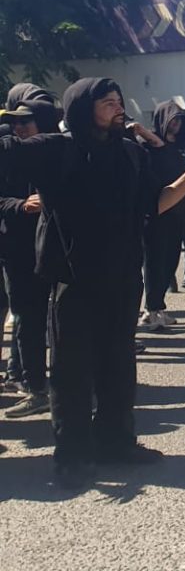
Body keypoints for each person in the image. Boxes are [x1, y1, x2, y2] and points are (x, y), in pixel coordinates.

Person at [0, 77, 185, 488]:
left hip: (123, 277)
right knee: (71, 371)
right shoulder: (55, 149)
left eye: (118, 101)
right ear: (83, 108)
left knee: (118, 365)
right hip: (74, 280)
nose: (118, 108)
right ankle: (72, 455)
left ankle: (115, 442)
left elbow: (155, 203)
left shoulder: (131, 153)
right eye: (107, 103)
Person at [0, 93, 60, 420]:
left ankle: (71, 385)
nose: (19, 127)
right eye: (14, 122)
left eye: (26, 120)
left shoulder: (63, 151)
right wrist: (20, 205)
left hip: (59, 247)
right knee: (27, 319)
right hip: (18, 251)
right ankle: (35, 388)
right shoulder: (6, 153)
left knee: (66, 320)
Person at [136, 102, 185, 332]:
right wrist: (152, 139)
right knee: (154, 262)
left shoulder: (184, 146)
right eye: (173, 120)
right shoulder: (146, 146)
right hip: (156, 213)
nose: (176, 124)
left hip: (180, 212)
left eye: (179, 120)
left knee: (171, 261)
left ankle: (158, 306)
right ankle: (151, 310)